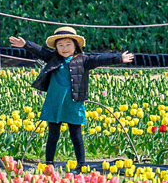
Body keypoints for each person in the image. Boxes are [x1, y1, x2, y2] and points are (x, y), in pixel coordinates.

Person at [8, 25, 134, 171]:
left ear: (76, 46)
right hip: (54, 103)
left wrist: (119, 58)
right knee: (52, 135)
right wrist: (25, 44)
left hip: (73, 103)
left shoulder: (83, 60)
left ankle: (81, 165)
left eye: (68, 44)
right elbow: (40, 51)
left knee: (76, 135)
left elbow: (100, 59)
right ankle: (49, 163)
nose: (64, 48)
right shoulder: (53, 58)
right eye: (60, 45)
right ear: (56, 48)